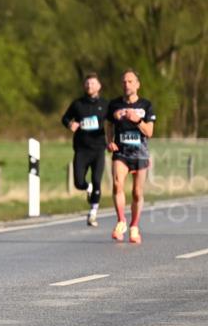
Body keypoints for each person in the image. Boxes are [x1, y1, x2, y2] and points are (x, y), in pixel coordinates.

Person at [106, 69, 155, 244]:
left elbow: (149, 132)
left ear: (137, 84)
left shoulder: (146, 106)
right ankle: (121, 221)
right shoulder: (114, 105)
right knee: (118, 184)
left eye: (130, 81)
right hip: (121, 152)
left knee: (136, 192)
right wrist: (110, 141)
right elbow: (109, 124)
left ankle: (134, 226)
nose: (126, 85)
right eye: (124, 82)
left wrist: (136, 120)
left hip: (140, 153)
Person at [61, 72, 109, 227]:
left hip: (98, 149)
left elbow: (113, 121)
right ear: (84, 86)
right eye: (87, 84)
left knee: (97, 181)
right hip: (81, 149)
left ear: (99, 86)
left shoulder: (105, 104)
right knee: (78, 182)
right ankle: (87, 188)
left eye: (93, 83)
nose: (90, 86)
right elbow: (65, 118)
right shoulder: (78, 104)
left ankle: (93, 213)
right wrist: (70, 124)